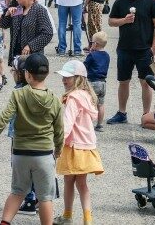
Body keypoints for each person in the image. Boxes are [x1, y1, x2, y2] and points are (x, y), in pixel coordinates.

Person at [0, 53, 63, 225]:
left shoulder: (18, 95)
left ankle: (4, 223)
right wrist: (59, 148)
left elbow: (4, 118)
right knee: (45, 197)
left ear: (26, 74)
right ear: (47, 73)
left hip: (20, 153)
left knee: (17, 191)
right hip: (44, 154)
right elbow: (59, 129)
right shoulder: (54, 100)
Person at [107, 0, 155, 124]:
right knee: (123, 81)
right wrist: (124, 20)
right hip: (125, 48)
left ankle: (146, 115)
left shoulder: (151, 2)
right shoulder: (121, 1)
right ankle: (122, 112)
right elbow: (111, 22)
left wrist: (154, 47)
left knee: (146, 82)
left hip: (145, 49)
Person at [53, 60, 103, 225]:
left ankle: (67, 215)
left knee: (68, 181)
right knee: (82, 184)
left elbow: (67, 123)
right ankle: (87, 219)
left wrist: (58, 145)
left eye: (68, 77)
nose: (64, 80)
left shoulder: (73, 98)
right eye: (64, 77)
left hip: (72, 145)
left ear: (78, 79)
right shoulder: (87, 96)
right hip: (87, 146)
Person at [0, 0, 54, 71]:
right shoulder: (17, 9)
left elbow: (47, 33)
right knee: (19, 82)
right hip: (17, 54)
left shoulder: (39, 10)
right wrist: (7, 13)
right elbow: (3, 25)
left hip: (33, 56)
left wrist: (30, 46)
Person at [83, 32, 110, 132]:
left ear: (96, 44)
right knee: (100, 104)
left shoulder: (92, 55)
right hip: (103, 83)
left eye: (92, 42)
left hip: (92, 83)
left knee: (89, 103)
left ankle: (88, 123)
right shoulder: (107, 55)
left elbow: (84, 66)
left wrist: (90, 53)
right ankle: (99, 124)